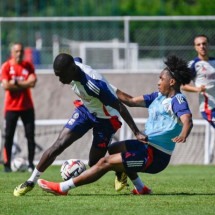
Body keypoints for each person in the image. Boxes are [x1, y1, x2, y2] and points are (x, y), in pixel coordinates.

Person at [36, 55, 193, 196]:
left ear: (171, 82)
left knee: (106, 162)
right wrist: (104, 86)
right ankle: (140, 188)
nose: (158, 82)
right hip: (145, 147)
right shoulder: (157, 97)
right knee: (113, 149)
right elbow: (129, 101)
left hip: (156, 157)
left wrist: (184, 134)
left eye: (161, 79)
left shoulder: (177, 100)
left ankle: (63, 188)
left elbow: (187, 119)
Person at [13, 53, 147, 196]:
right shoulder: (73, 67)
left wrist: (136, 132)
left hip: (106, 119)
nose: (60, 79)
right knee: (59, 144)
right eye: (57, 75)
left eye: (61, 75)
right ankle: (30, 181)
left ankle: (119, 170)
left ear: (72, 69)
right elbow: (77, 59)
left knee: (95, 162)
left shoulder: (94, 85)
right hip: (86, 111)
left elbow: (120, 107)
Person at [1, 42, 37, 172]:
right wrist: (24, 83)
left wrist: (15, 82)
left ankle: (31, 164)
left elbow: (32, 82)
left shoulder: (28, 66)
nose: (19, 54)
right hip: (11, 108)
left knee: (30, 136)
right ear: (12, 52)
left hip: (27, 107)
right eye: (17, 51)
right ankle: (6, 165)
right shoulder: (6, 66)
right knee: (9, 136)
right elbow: (6, 86)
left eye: (21, 51)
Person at [181, 34, 215, 128]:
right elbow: (183, 85)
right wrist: (197, 89)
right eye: (198, 44)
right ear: (195, 47)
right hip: (209, 107)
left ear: (208, 45)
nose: (202, 46)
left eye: (204, 43)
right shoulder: (193, 65)